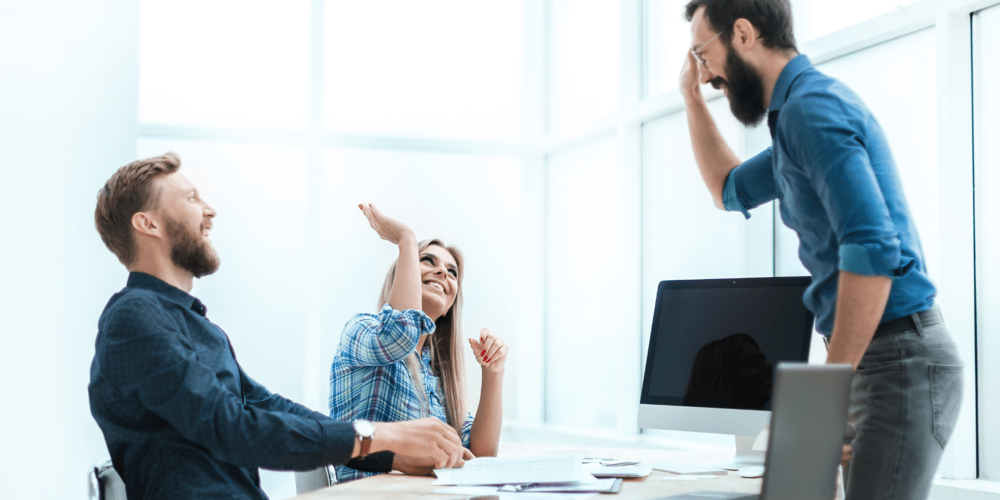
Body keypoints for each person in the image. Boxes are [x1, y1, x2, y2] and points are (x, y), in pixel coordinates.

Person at [678, 1, 963, 498]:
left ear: (742, 33)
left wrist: (824, 400)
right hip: (869, 356)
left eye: (703, 55)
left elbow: (872, 249)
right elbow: (728, 189)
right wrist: (689, 99)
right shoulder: (792, 120)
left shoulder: (813, 109)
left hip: (896, 359)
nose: (705, 76)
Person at [89, 153, 468, 500]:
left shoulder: (196, 327)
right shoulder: (133, 318)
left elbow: (269, 407)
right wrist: (382, 434)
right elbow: (231, 427)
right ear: (147, 223)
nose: (210, 211)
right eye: (191, 199)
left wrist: (391, 454)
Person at [329, 204, 508, 482]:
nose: (443, 273)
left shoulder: (437, 374)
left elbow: (480, 455)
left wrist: (493, 373)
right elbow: (397, 338)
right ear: (404, 274)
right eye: (427, 260)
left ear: (450, 305)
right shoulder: (361, 330)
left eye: (452, 272)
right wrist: (406, 239)